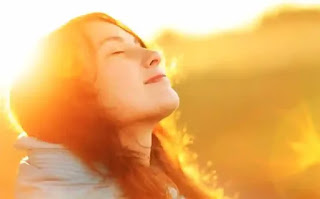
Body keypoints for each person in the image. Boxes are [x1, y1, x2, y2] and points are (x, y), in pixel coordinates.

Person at [10, 12, 213, 199]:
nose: (154, 56)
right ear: (68, 97)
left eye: (139, 45)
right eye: (117, 51)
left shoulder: (158, 180)